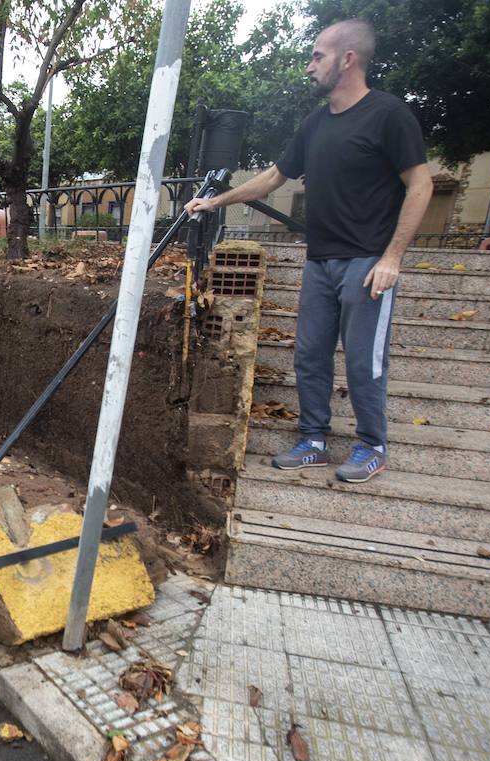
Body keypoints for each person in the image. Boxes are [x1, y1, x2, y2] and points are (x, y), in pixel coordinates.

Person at [185, 19, 432, 483]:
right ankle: (314, 440)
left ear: (348, 59)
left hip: (367, 261)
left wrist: (392, 258)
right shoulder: (315, 123)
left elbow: (421, 185)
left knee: (362, 360)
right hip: (320, 260)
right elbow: (273, 177)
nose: (309, 66)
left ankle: (372, 445)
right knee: (310, 355)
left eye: (318, 56)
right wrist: (215, 201)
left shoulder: (388, 115)